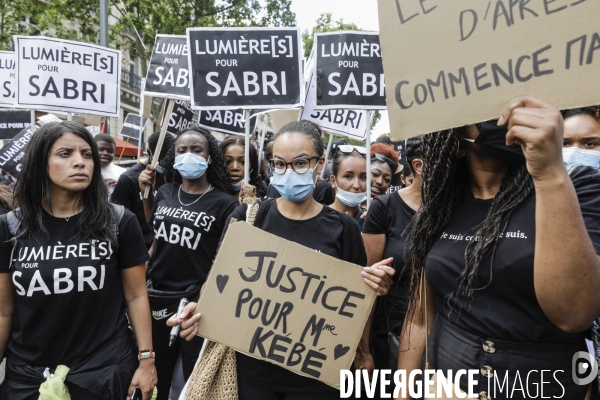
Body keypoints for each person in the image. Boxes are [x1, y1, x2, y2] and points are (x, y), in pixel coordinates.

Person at [168, 120, 396, 400]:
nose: (288, 172)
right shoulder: (248, 218)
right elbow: (219, 281)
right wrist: (200, 310)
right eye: (279, 164)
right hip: (252, 374)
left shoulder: (344, 229)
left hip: (315, 377)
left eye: (300, 163)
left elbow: (356, 302)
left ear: (319, 163)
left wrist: (364, 343)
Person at [398, 97, 600, 399]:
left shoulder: (574, 186)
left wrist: (548, 173)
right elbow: (419, 318)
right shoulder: (440, 206)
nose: (509, 108)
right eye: (494, 98)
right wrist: (405, 390)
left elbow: (573, 314)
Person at [0, 121, 155, 399]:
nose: (80, 162)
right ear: (39, 162)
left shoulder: (120, 222)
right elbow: (3, 312)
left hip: (104, 372)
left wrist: (147, 360)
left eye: (87, 154)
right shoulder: (10, 228)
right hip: (30, 376)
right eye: (65, 154)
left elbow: (135, 295)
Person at [138, 126, 238, 400]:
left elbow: (225, 259)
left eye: (197, 150)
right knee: (157, 373)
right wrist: (145, 192)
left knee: (195, 377)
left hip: (195, 303)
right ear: (174, 157)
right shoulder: (165, 192)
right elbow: (155, 232)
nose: (189, 155)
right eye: (182, 150)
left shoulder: (225, 203)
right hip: (157, 296)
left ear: (209, 158)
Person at [362, 136, 423, 381]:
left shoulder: (459, 209)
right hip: (388, 333)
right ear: (419, 166)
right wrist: (363, 350)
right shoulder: (385, 208)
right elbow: (367, 282)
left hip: (443, 338)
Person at [111, 131, 176, 249]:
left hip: (164, 244)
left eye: (168, 158)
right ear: (149, 153)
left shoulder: (172, 175)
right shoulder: (129, 178)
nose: (165, 163)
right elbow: (120, 219)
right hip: (138, 246)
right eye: (161, 160)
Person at [327, 145, 368, 229]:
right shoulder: (318, 218)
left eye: (363, 178)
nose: (356, 185)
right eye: (348, 176)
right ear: (333, 181)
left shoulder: (369, 220)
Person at [220, 135, 265, 202]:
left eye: (242, 162)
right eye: (228, 161)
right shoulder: (210, 197)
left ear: (252, 166)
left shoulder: (260, 203)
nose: (235, 167)